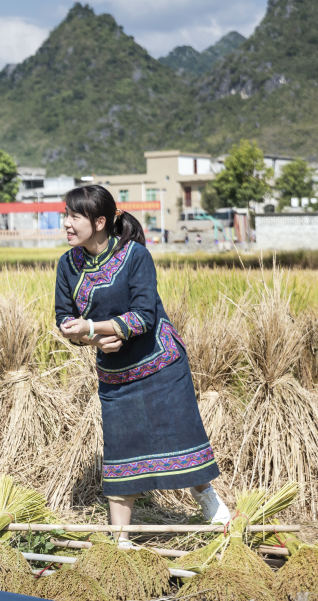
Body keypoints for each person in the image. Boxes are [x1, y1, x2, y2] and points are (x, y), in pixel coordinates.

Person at [54, 185, 229, 540]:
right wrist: (93, 337)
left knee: (180, 436)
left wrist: (97, 326)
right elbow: (63, 320)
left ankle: (207, 498)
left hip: (161, 366)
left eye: (74, 216)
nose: (66, 224)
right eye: (66, 216)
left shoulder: (135, 256)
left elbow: (143, 315)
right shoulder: (67, 265)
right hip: (115, 377)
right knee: (121, 451)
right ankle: (120, 546)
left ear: (100, 221)